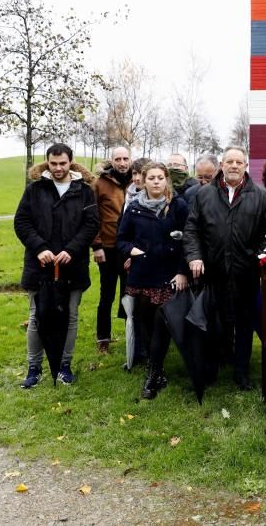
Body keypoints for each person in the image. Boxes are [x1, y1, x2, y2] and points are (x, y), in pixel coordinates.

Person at [183, 145, 266, 390]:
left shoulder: (261, 196)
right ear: (221, 166)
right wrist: (194, 256)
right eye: (230, 161)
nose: (234, 166)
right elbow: (192, 229)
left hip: (246, 271)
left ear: (246, 166)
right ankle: (212, 368)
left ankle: (241, 372)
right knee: (215, 321)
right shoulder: (204, 195)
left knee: (244, 323)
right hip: (213, 271)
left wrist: (257, 257)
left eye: (239, 162)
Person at [14, 143, 100, 388]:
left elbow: (91, 224)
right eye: (54, 164)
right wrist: (40, 248)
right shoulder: (35, 189)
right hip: (39, 266)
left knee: (70, 316)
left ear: (70, 162)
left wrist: (71, 250)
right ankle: (34, 368)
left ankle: (64, 366)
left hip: (72, 266)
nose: (58, 168)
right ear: (47, 162)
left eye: (63, 163)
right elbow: (22, 222)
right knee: (36, 316)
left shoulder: (84, 191)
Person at [116, 162, 190, 400]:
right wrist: (131, 250)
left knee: (162, 324)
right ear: (143, 181)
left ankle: (153, 372)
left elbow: (188, 241)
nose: (156, 182)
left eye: (160, 178)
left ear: (166, 180)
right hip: (142, 274)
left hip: (168, 274)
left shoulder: (178, 206)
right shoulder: (135, 208)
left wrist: (182, 272)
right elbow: (121, 239)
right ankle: (156, 369)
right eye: (151, 178)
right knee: (146, 324)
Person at [91, 146, 132, 354]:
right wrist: (96, 246)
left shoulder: (137, 181)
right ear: (111, 160)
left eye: (125, 158)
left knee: (129, 294)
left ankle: (131, 338)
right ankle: (103, 339)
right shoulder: (100, 184)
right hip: (107, 248)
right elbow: (92, 216)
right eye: (118, 159)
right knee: (106, 295)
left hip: (129, 251)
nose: (122, 162)